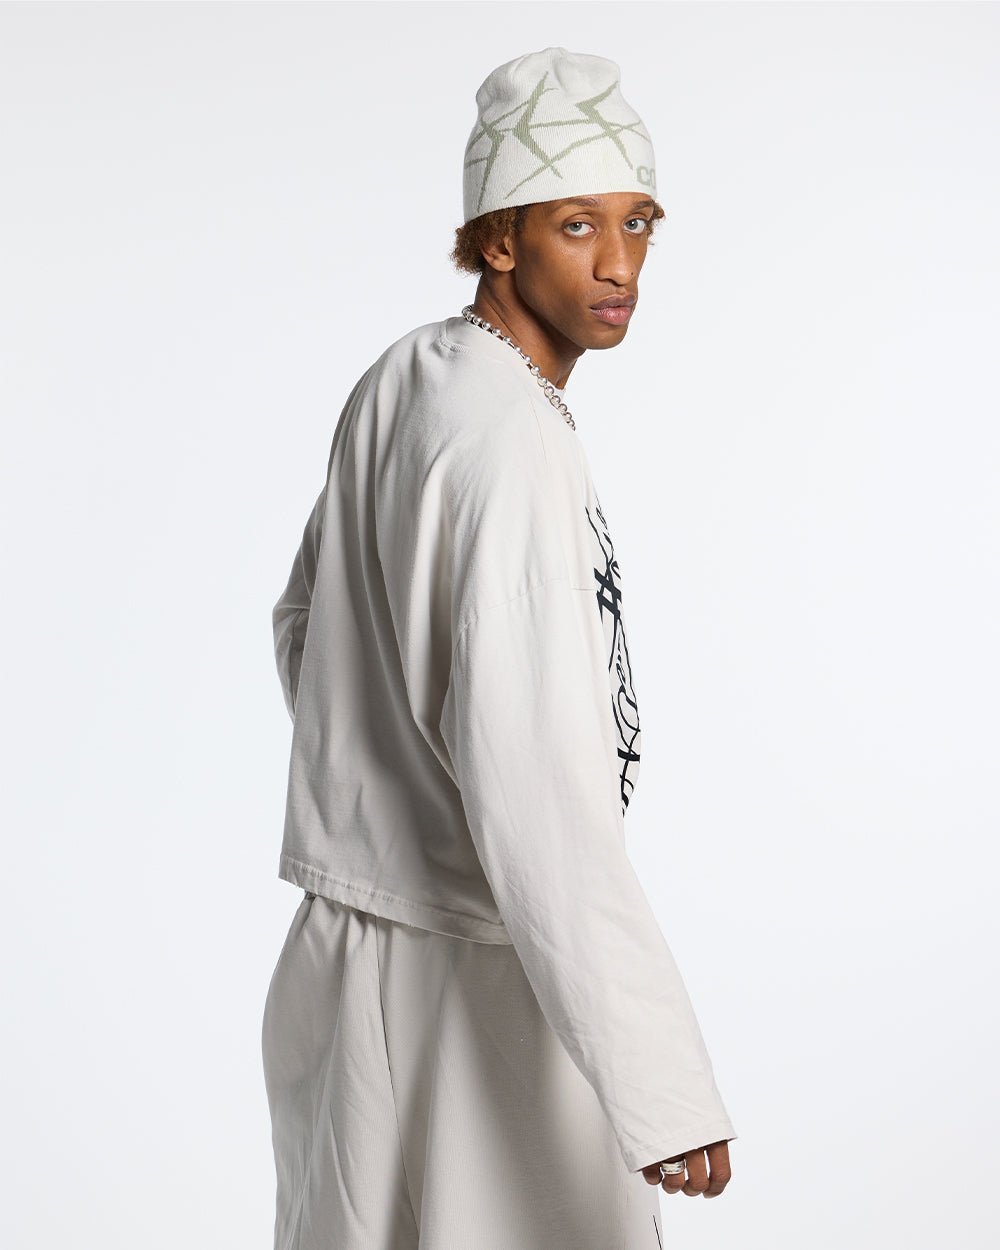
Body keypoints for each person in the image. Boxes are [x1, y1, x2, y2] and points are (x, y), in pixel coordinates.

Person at [261, 45, 737, 1250]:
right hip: (479, 976)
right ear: (499, 238)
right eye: (577, 224)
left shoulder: (405, 378)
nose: (619, 262)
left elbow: (305, 622)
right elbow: (537, 787)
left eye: (637, 222)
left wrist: (379, 780)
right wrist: (660, 1079)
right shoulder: (509, 436)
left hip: (344, 950)